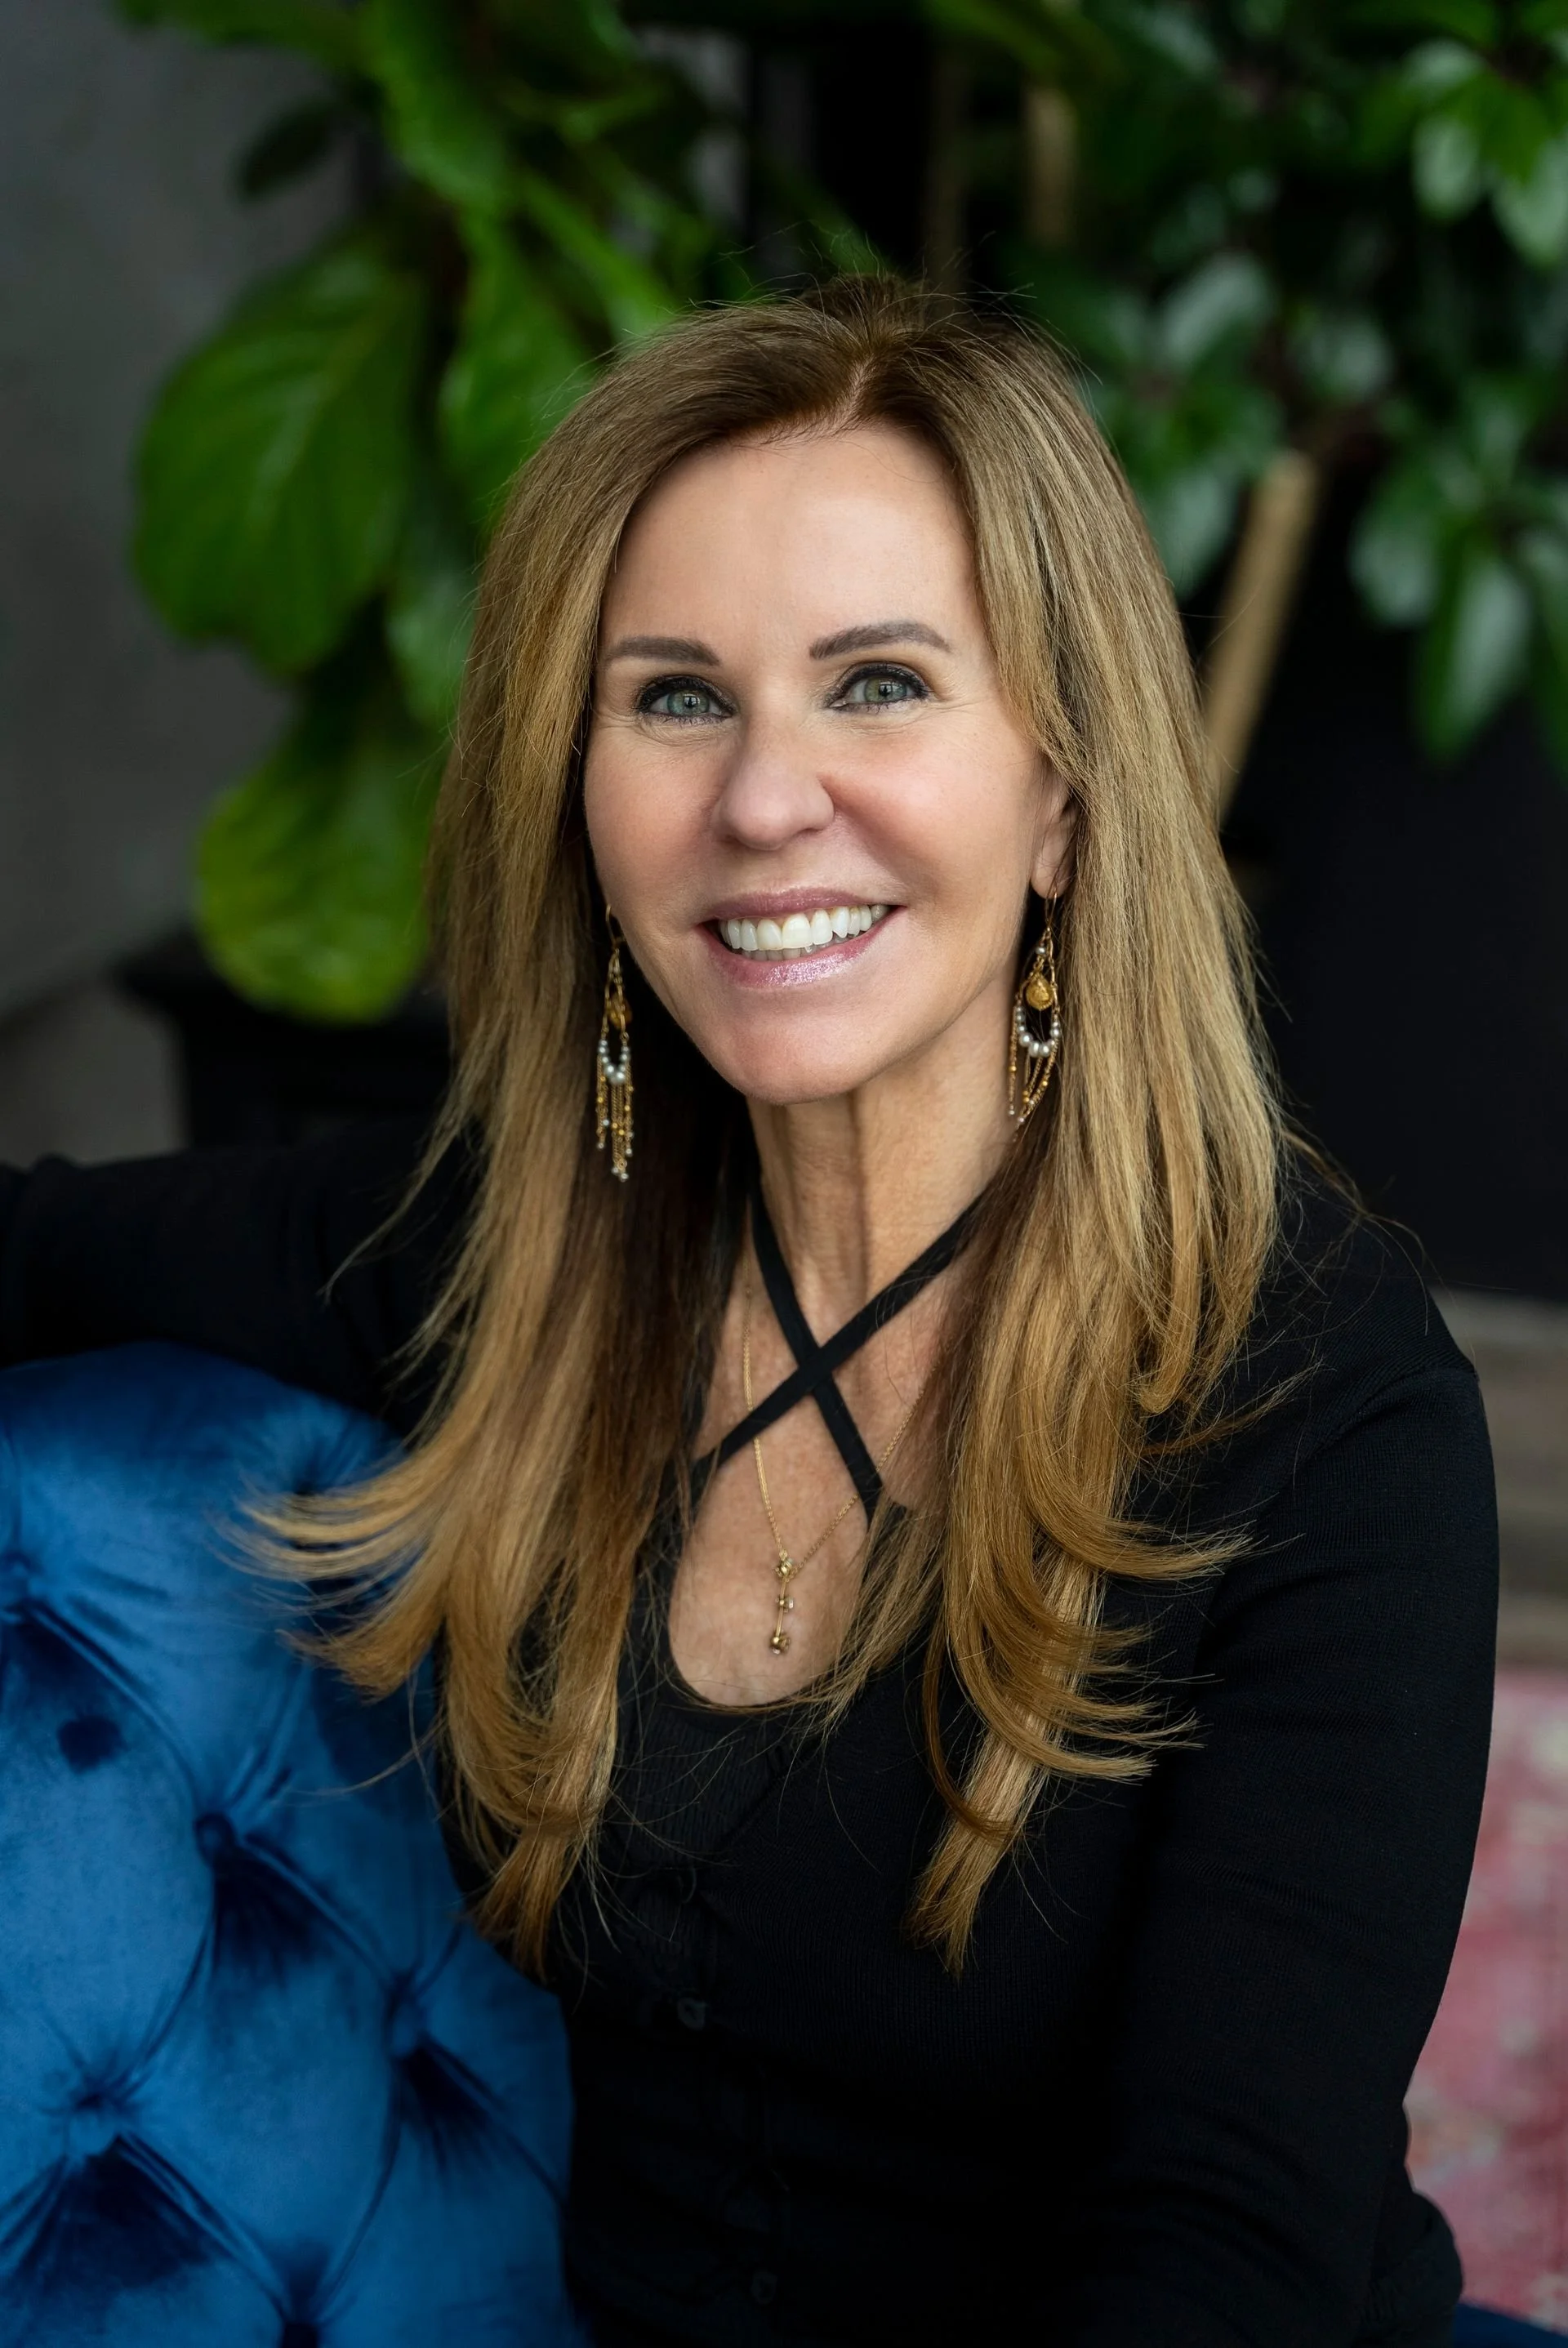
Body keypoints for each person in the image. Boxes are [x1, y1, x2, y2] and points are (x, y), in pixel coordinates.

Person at [0, 278, 1496, 2348]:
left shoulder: (1319, 1405)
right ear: (582, 790)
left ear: (1063, 795)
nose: (765, 799)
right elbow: (36, 1236)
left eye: (878, 683)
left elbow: (1227, 2241)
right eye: (677, 697)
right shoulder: (518, 1257)